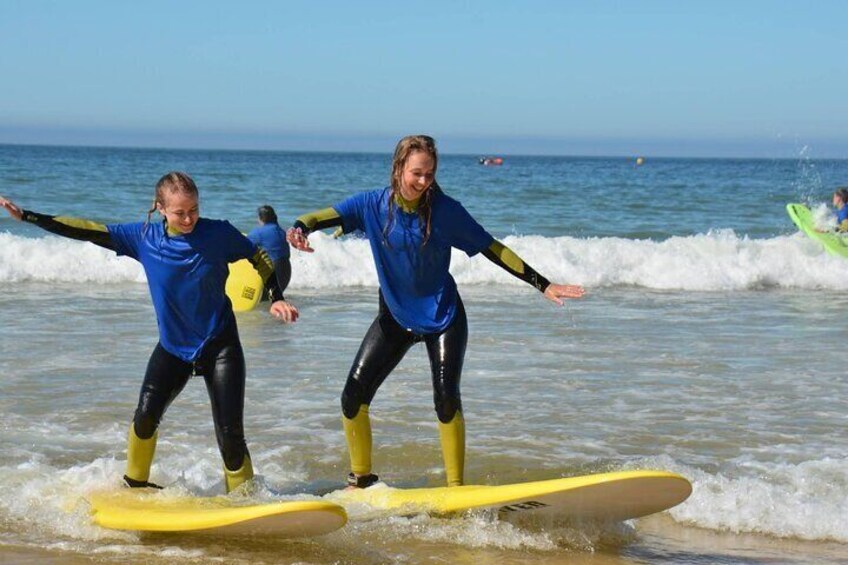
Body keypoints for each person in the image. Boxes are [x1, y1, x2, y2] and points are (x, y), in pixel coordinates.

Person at [287, 135, 585, 489]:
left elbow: (493, 249)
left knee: (446, 399)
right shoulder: (371, 205)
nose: (424, 182)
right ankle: (361, 480)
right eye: (416, 173)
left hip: (444, 317)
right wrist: (299, 229)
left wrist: (543, 284)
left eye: (429, 174)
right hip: (396, 317)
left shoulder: (445, 211)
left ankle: (455, 488)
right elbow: (321, 216)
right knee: (353, 396)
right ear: (398, 168)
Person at [0, 172, 299, 493]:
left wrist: (276, 296)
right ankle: (136, 485)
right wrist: (29, 217)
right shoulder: (143, 237)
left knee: (230, 435)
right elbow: (88, 230)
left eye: (194, 210)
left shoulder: (218, 234)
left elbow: (258, 255)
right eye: (180, 212)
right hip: (173, 348)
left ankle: (244, 499)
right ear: (160, 209)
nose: (188, 219)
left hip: (220, 344)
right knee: (144, 418)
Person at [247, 205, 292, 297]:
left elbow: (242, 246)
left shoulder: (258, 233)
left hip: (272, 272)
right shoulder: (282, 231)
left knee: (263, 301)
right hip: (286, 272)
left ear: (260, 218)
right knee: (272, 300)